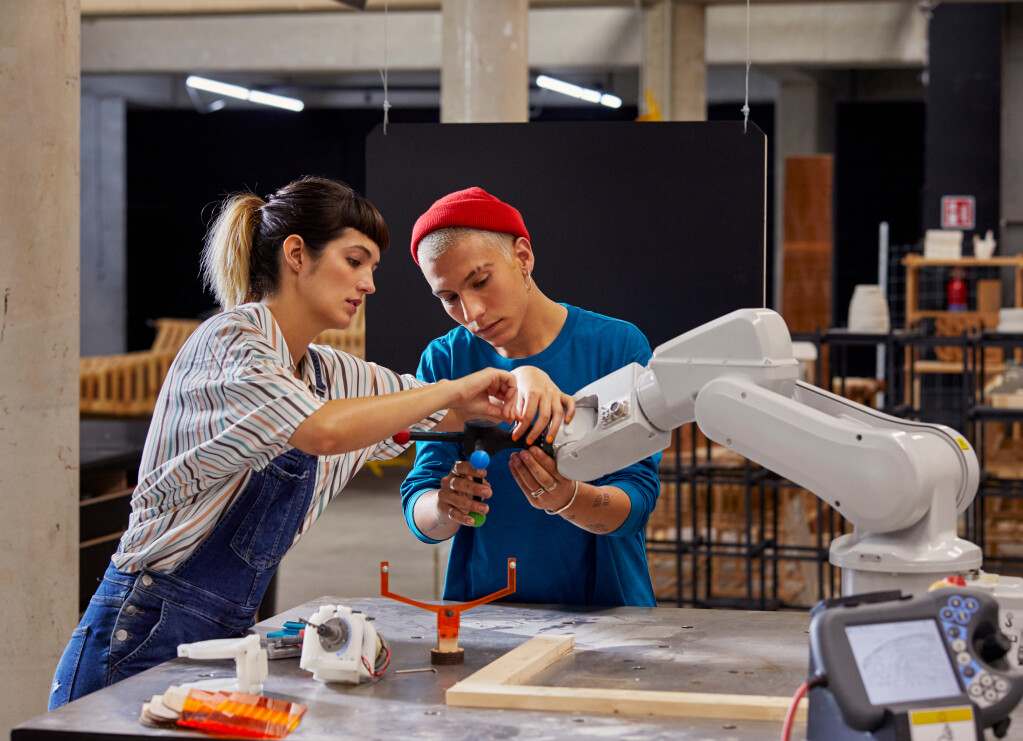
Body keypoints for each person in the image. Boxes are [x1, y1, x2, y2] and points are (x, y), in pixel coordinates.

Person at [49, 177, 567, 709]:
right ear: (297, 254)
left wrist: (526, 379)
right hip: (139, 632)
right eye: (355, 260)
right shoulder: (231, 342)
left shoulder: (327, 372)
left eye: (372, 269)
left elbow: (435, 405)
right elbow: (324, 430)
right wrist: (461, 386)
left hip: (225, 633)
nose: (369, 284)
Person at [400, 187, 661, 607]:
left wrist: (569, 499)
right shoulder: (445, 358)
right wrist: (446, 507)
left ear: (522, 257)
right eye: (448, 298)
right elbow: (420, 501)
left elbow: (637, 502)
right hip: (485, 608)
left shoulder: (616, 346)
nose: (472, 313)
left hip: (606, 607)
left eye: (481, 282)